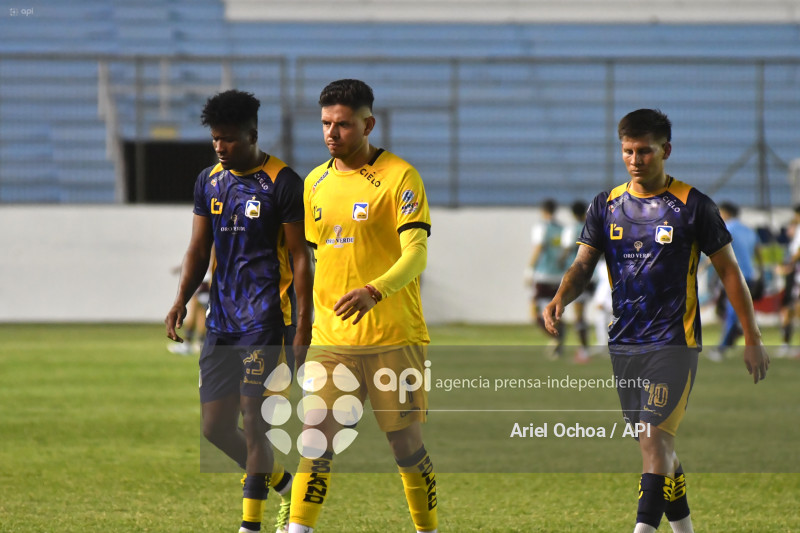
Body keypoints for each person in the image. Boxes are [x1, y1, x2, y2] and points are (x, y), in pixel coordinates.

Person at [543, 109, 769, 533]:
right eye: (627, 151)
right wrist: (560, 296)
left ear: (665, 150)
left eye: (644, 151)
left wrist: (752, 335)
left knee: (653, 441)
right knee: (656, 447)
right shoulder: (605, 205)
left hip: (673, 342)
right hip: (625, 343)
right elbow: (583, 264)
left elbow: (730, 271)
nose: (634, 159)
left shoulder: (693, 206)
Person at [287, 79, 437, 533]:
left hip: (395, 337)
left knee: (405, 447)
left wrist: (375, 291)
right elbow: (312, 260)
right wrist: (300, 323)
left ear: (368, 124)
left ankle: (426, 529)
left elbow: (417, 253)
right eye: (326, 124)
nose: (333, 133)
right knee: (315, 438)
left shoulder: (400, 177)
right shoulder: (314, 181)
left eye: (344, 125)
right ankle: (297, 528)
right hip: (332, 340)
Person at [164, 89, 313, 533]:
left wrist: (303, 324)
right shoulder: (209, 181)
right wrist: (181, 299)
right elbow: (198, 247)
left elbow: (300, 257)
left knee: (255, 420)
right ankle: (285, 484)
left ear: (252, 134)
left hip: (266, 320)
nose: (220, 147)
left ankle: (251, 525)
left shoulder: (283, 182)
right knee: (214, 428)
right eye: (214, 139)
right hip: (222, 323)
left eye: (228, 139)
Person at [706, 202, 763, 361]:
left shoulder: (727, 228)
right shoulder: (749, 230)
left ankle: (721, 349)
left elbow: (718, 251)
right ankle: (736, 331)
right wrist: (761, 273)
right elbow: (758, 252)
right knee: (730, 311)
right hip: (749, 275)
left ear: (725, 213)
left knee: (731, 313)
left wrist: (703, 265)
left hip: (735, 277)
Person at [559, 200, 595, 362]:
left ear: (573, 213)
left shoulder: (571, 229)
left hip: (579, 277)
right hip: (595, 276)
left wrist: (561, 263)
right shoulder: (594, 227)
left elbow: (566, 251)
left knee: (579, 315)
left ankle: (584, 350)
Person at [529, 198, 565, 358]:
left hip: (543, 274)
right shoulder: (562, 229)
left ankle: (555, 337)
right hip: (558, 275)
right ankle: (558, 336)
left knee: (534, 311)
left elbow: (539, 248)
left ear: (543, 210)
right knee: (555, 310)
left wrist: (529, 270)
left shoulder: (541, 228)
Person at [778, 205, 800, 357]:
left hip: (795, 275)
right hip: (795, 275)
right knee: (789, 308)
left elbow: (797, 252)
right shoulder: (796, 228)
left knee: (792, 308)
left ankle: (786, 344)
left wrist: (788, 265)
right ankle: (786, 344)